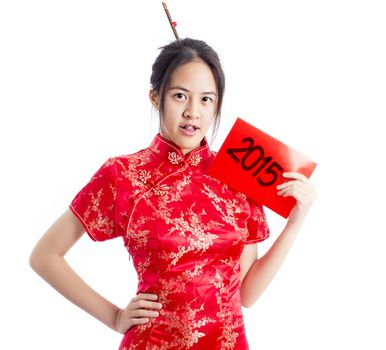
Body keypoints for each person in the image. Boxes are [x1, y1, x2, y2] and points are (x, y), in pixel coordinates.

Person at [29, 38, 316, 349]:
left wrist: (295, 222)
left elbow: (247, 294)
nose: (193, 112)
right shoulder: (123, 174)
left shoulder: (237, 173)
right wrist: (114, 317)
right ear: (156, 98)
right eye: (180, 96)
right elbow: (45, 256)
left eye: (206, 99)